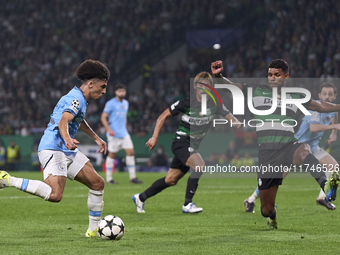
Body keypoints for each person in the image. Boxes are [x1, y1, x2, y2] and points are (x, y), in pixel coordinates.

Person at [211, 59, 340, 229]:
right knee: (266, 209)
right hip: (266, 154)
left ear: (286, 76)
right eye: (270, 74)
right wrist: (219, 75)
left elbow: (321, 106)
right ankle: (272, 216)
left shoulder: (296, 96)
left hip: (288, 146)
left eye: (277, 75)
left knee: (304, 151)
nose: (272, 78)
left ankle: (326, 185)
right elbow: (231, 87)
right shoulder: (256, 90)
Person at [0, 59, 110, 237]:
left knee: (97, 183)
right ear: (91, 84)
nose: (104, 91)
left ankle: (93, 231)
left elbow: (78, 119)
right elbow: (63, 121)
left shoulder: (79, 98)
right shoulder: (75, 99)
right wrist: (67, 139)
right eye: (102, 86)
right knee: (55, 195)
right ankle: (8, 179)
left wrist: (96, 137)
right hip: (53, 148)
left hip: (65, 148)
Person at [132, 71, 240, 214]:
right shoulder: (187, 102)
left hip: (192, 146)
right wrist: (154, 137)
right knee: (200, 166)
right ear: (195, 86)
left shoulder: (215, 103)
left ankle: (140, 197)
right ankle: (187, 204)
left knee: (171, 180)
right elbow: (163, 115)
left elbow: (231, 118)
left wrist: (237, 123)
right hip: (180, 142)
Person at [243, 82, 340, 212]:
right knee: (276, 178)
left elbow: (334, 116)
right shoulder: (314, 109)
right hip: (296, 147)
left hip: (313, 147)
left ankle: (323, 197)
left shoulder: (332, 110)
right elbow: (313, 128)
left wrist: (334, 134)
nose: (326, 97)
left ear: (335, 96)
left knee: (334, 168)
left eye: (329, 94)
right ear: (319, 95)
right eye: (324, 94)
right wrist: (334, 127)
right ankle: (251, 199)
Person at [100, 84, 142, 184]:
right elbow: (103, 117)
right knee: (112, 155)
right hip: (113, 134)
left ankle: (133, 177)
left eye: (123, 91)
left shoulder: (126, 103)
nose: (122, 93)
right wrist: (108, 129)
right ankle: (109, 179)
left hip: (124, 133)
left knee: (131, 152)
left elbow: (124, 118)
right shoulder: (110, 103)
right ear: (116, 92)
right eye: (120, 91)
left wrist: (126, 128)